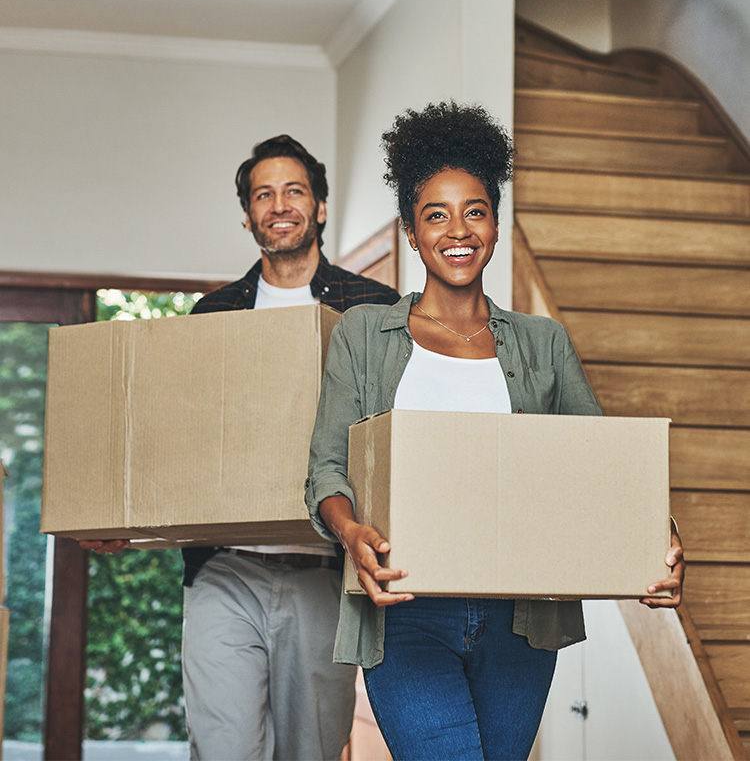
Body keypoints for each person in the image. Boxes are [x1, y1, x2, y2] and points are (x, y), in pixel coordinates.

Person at [305, 102, 686, 761]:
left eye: (475, 211)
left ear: (496, 224)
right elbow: (327, 467)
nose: (458, 230)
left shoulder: (544, 343)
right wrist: (350, 531)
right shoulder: (365, 335)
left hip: (522, 620)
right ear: (410, 233)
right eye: (436, 215)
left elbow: (601, 467)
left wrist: (657, 535)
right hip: (405, 610)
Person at [81, 134, 400, 761]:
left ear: (320, 207)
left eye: (293, 191)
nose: (279, 206)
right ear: (248, 215)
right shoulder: (214, 312)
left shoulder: (373, 308)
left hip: (324, 572)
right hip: (225, 571)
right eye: (263, 195)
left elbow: (393, 437)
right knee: (222, 748)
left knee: (312, 751)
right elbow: (180, 440)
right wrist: (124, 519)